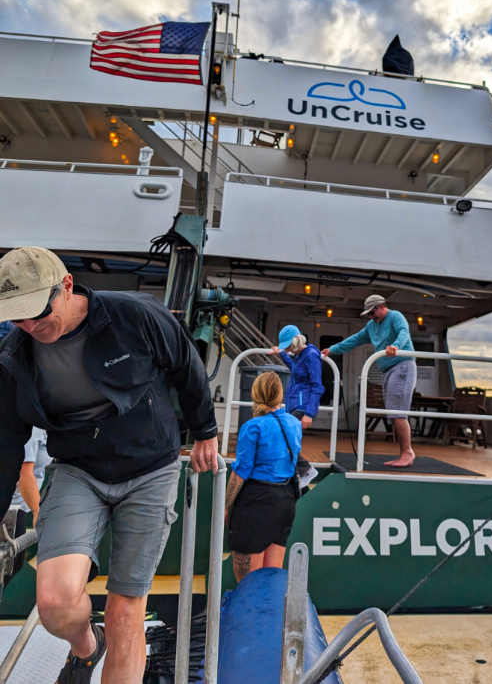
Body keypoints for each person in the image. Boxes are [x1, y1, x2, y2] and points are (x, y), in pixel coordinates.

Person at [0, 246, 219, 684]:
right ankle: (86, 646)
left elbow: (184, 363)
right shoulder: (13, 356)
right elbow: (6, 442)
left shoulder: (134, 315)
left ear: (65, 287)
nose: (29, 326)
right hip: (79, 469)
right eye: (16, 317)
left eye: (36, 312)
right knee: (55, 603)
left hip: (150, 468)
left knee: (125, 612)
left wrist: (205, 431)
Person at [322, 294, 417, 468]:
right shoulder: (371, 326)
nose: (371, 317)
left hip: (402, 366)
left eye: (372, 313)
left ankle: (407, 452)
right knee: (393, 412)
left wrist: (396, 345)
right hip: (388, 370)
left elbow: (404, 331)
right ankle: (404, 452)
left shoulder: (395, 316)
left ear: (381, 306)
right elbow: (356, 339)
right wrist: (333, 349)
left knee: (397, 412)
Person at [224, 371, 302, 582]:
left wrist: (225, 505)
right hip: (285, 502)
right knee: (270, 580)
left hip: (255, 503)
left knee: (248, 585)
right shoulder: (294, 424)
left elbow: (240, 473)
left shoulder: (253, 427)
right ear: (280, 394)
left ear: (255, 393)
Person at [271, 324, 324, 488]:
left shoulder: (311, 355)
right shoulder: (301, 355)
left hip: (303, 407)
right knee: (288, 439)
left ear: (295, 342)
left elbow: (318, 386)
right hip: (295, 405)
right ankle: (297, 475)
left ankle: (306, 470)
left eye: (287, 346)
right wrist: (281, 354)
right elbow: (295, 369)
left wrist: (309, 413)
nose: (288, 349)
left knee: (284, 436)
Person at [10, 427, 51, 523]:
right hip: (10, 507)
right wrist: (37, 512)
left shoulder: (47, 428)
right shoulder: (32, 429)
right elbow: (23, 474)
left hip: (19, 506)